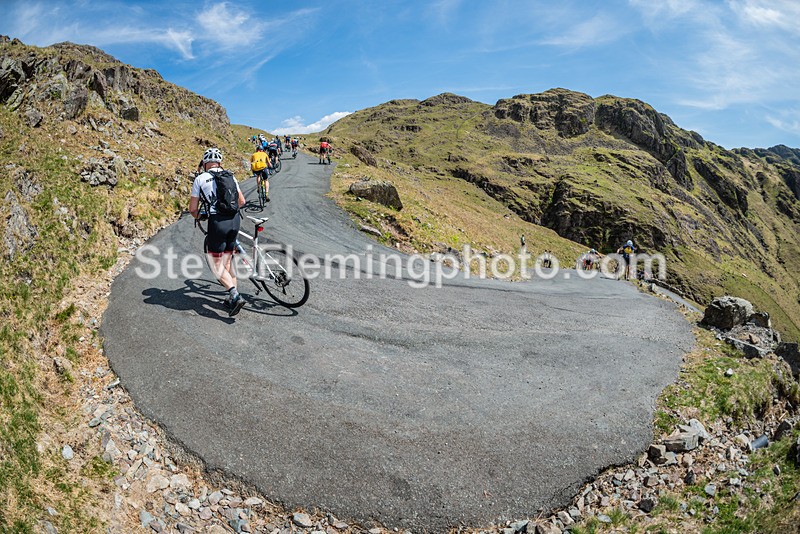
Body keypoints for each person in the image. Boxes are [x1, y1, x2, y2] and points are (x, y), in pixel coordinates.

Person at [189, 148, 247, 316]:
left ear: (204, 163)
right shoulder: (230, 176)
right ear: (219, 163)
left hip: (218, 223)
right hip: (235, 221)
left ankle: (234, 295)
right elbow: (242, 201)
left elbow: (193, 209)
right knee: (227, 262)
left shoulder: (200, 179)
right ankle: (231, 299)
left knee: (216, 265)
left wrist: (201, 216)